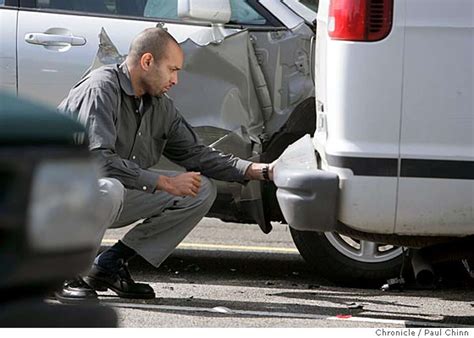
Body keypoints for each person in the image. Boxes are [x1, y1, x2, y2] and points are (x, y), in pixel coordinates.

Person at [56, 27, 275, 301]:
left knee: (200, 190)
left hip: (102, 196)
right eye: (172, 69)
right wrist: (163, 181)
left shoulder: (160, 105)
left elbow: (196, 153)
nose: (176, 79)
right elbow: (97, 160)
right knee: (109, 187)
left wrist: (260, 170)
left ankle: (110, 264)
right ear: (147, 61)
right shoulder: (101, 89)